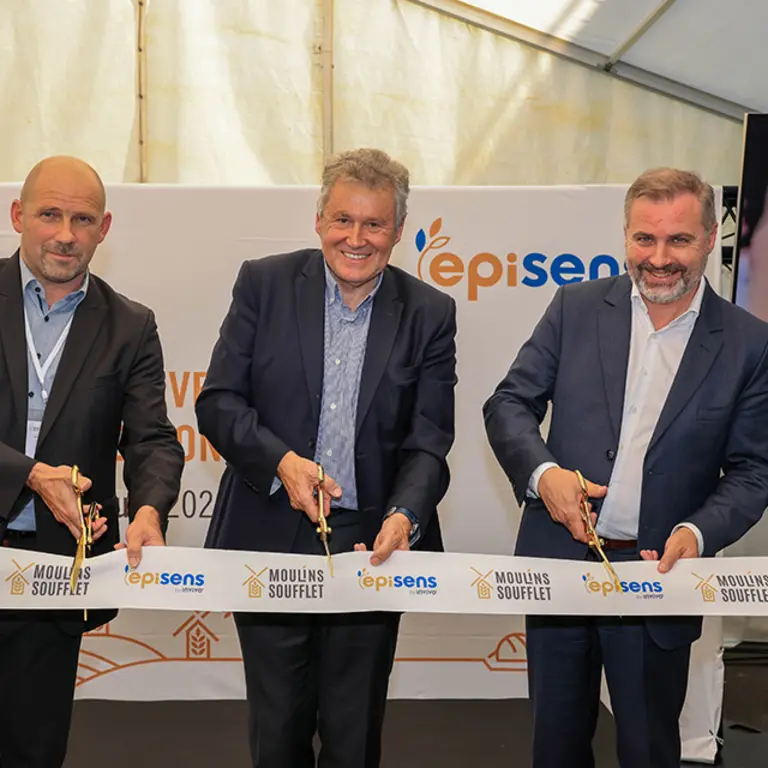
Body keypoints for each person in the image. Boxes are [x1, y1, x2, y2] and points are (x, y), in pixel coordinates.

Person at [483, 168, 768, 768]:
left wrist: (696, 533)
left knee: (648, 750)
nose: (658, 258)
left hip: (658, 580)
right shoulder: (576, 307)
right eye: (645, 238)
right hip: (561, 568)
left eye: (678, 240)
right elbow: (508, 404)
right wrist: (544, 475)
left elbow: (753, 471)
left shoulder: (749, 343)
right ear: (625, 236)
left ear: (709, 237)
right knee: (555, 748)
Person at [196, 147, 457, 768]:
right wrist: (281, 462)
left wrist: (405, 515)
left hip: (371, 544)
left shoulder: (430, 313)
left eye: (374, 224)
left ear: (398, 231)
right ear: (319, 220)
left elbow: (428, 442)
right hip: (269, 536)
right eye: (343, 219)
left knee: (353, 732)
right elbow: (218, 402)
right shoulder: (263, 283)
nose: (356, 238)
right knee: (277, 732)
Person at [0, 156, 184, 768]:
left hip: (56, 569)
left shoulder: (130, 325)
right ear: (18, 215)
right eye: (49, 214)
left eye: (82, 219)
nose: (65, 234)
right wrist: (30, 475)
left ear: (104, 229)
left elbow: (152, 439)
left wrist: (150, 509)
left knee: (32, 750)